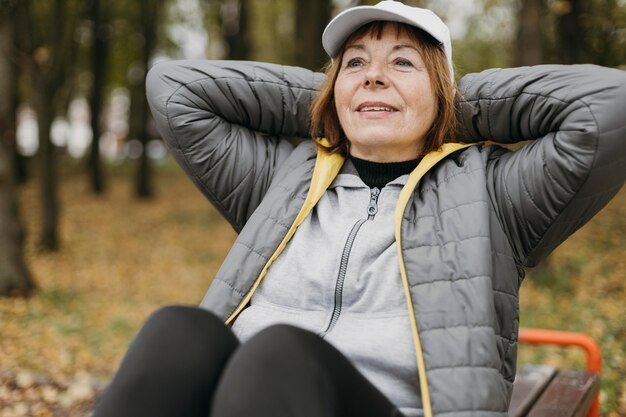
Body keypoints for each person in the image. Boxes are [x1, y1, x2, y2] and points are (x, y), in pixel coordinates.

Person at [92, 1, 626, 417]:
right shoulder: (282, 178)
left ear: (443, 92)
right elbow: (173, 89)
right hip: (247, 399)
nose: (374, 75)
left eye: (403, 62)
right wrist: (336, 99)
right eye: (355, 64)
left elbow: (607, 106)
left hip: (379, 404)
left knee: (281, 354)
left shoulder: (491, 193)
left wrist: (453, 107)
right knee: (179, 331)